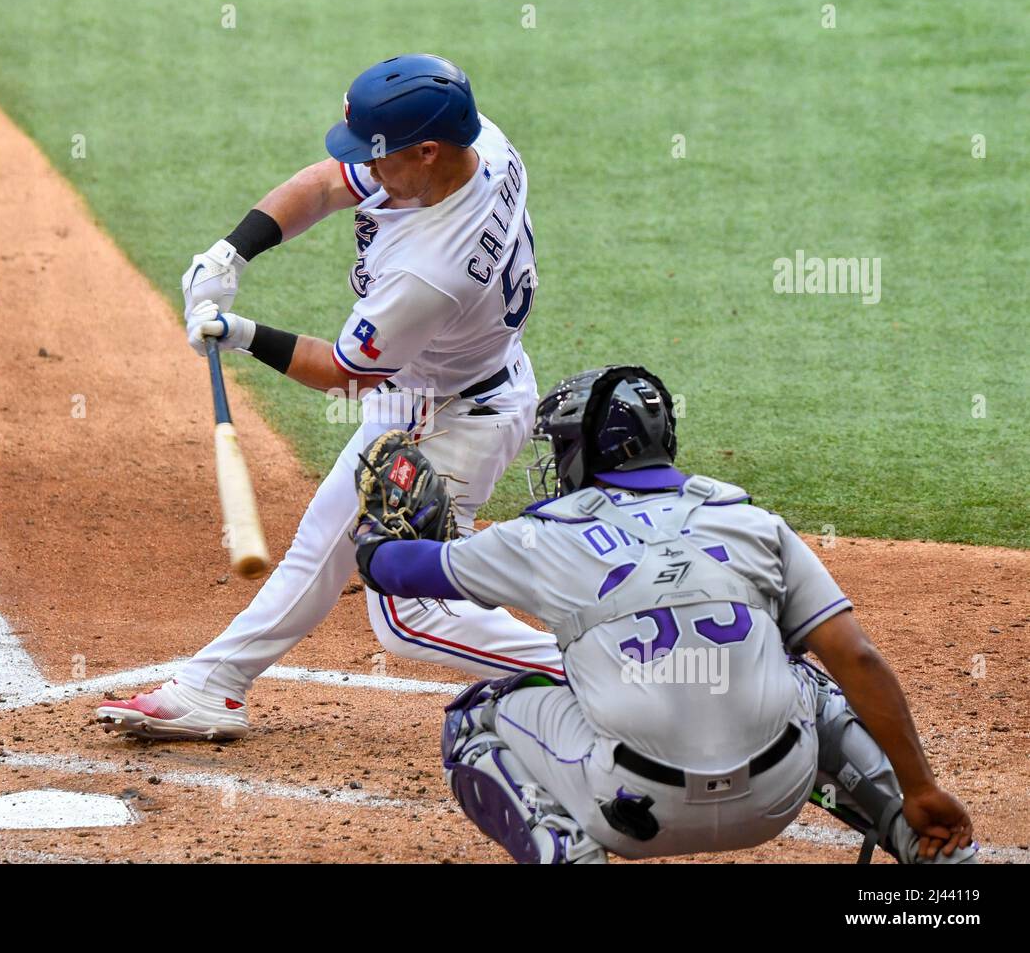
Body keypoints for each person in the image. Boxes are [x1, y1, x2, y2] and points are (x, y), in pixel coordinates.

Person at [98, 54, 563, 740]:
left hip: (457, 418)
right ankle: (214, 686)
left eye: (378, 160)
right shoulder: (471, 142)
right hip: (439, 385)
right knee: (325, 543)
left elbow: (347, 375)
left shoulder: (429, 270)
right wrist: (232, 252)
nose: (365, 173)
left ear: (426, 152)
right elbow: (323, 185)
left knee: (412, 613)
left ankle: (589, 671)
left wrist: (242, 334)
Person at [355, 365, 978, 863]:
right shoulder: (750, 522)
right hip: (775, 796)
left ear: (587, 451)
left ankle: (563, 852)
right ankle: (925, 841)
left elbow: (394, 569)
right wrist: (923, 786)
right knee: (811, 678)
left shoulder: (542, 539)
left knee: (475, 721)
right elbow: (859, 659)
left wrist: (377, 533)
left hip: (632, 809)